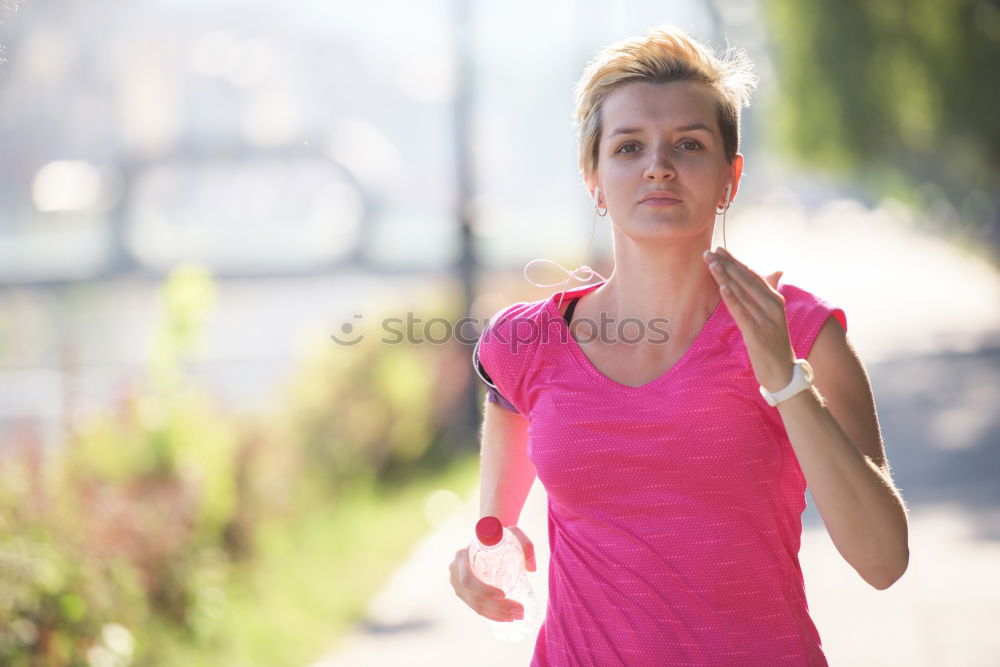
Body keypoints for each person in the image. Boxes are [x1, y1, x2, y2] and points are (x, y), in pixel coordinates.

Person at [448, 25, 909, 666]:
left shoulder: (799, 331)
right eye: (629, 146)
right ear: (593, 177)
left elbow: (884, 561)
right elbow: (499, 488)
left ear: (730, 177)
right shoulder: (527, 343)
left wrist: (785, 378)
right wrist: (483, 550)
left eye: (688, 145)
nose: (658, 165)